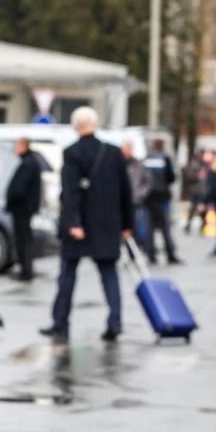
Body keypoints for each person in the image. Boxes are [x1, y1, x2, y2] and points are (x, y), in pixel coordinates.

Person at [42, 106, 132, 344]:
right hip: (108, 224)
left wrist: (72, 222)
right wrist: (127, 224)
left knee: (67, 274)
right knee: (109, 274)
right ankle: (115, 321)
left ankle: (60, 323)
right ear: (95, 124)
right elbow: (126, 191)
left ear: (76, 126)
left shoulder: (72, 153)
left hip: (79, 226)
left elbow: (70, 191)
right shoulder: (113, 153)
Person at [4, 137, 45, 282]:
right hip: (25, 208)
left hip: (22, 208)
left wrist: (12, 200)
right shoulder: (30, 162)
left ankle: (26, 270)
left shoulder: (28, 164)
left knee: (23, 240)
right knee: (24, 239)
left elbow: (19, 189)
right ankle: (25, 269)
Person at [141, 138, 181, 265]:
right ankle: (170, 255)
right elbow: (171, 177)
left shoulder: (146, 158)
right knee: (165, 228)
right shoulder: (165, 158)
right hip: (162, 197)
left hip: (148, 198)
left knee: (150, 228)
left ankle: (151, 255)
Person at [121, 140, 151, 248]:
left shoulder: (139, 165)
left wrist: (141, 193)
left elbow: (147, 182)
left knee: (137, 226)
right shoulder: (117, 164)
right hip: (121, 202)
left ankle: (136, 246)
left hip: (136, 201)